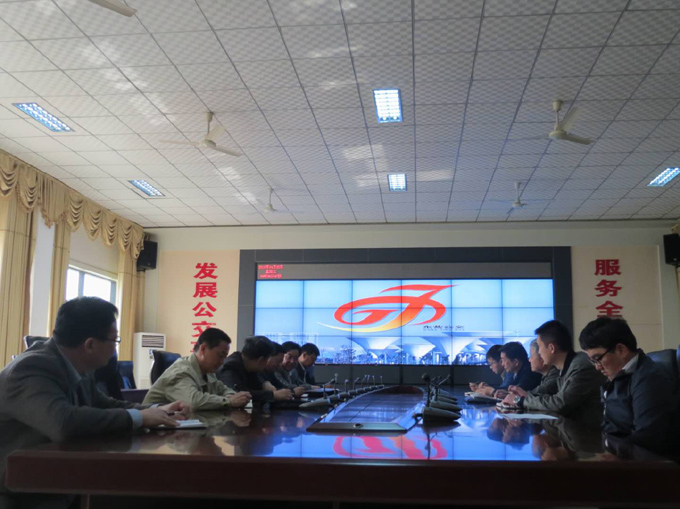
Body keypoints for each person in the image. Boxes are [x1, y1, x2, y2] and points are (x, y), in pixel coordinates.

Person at [0, 297, 189, 508]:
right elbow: (63, 422)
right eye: (114, 341)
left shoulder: (77, 365)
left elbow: (104, 404)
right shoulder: (31, 368)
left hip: (61, 478)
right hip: (21, 492)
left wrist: (156, 410)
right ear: (90, 344)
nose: (115, 349)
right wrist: (139, 418)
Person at [579, 317, 678, 454]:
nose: (597, 367)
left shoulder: (650, 378)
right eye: (593, 361)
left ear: (621, 350)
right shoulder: (619, 375)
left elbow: (646, 438)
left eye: (597, 359)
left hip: (641, 461)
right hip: (615, 451)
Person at [502, 320, 605, 429]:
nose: (539, 352)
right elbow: (555, 398)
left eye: (540, 347)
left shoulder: (580, 367)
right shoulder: (565, 367)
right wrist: (526, 396)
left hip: (590, 434)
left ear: (551, 348)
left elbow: (560, 404)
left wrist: (519, 400)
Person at [144, 327, 251, 410]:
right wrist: (230, 401)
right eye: (220, 355)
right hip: (153, 428)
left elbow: (222, 389)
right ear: (203, 349)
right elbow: (193, 402)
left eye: (224, 357)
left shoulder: (207, 370)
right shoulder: (181, 371)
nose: (222, 362)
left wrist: (232, 396)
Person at [217, 336, 293, 402]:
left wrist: (266, 386)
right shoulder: (230, 366)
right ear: (261, 360)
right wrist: (273, 395)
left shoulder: (250, 366)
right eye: (267, 359)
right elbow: (238, 394)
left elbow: (257, 388)